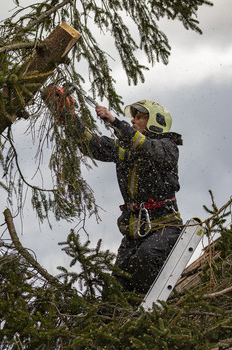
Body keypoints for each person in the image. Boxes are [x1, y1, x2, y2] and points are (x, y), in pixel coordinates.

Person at [46, 87, 184, 294]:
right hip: (134, 233)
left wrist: (114, 121)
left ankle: (161, 308)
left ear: (156, 121)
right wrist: (69, 118)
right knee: (115, 289)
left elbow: (147, 148)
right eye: (133, 118)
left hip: (165, 228)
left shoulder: (167, 147)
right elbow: (92, 144)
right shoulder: (126, 150)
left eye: (139, 117)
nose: (133, 121)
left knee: (146, 259)